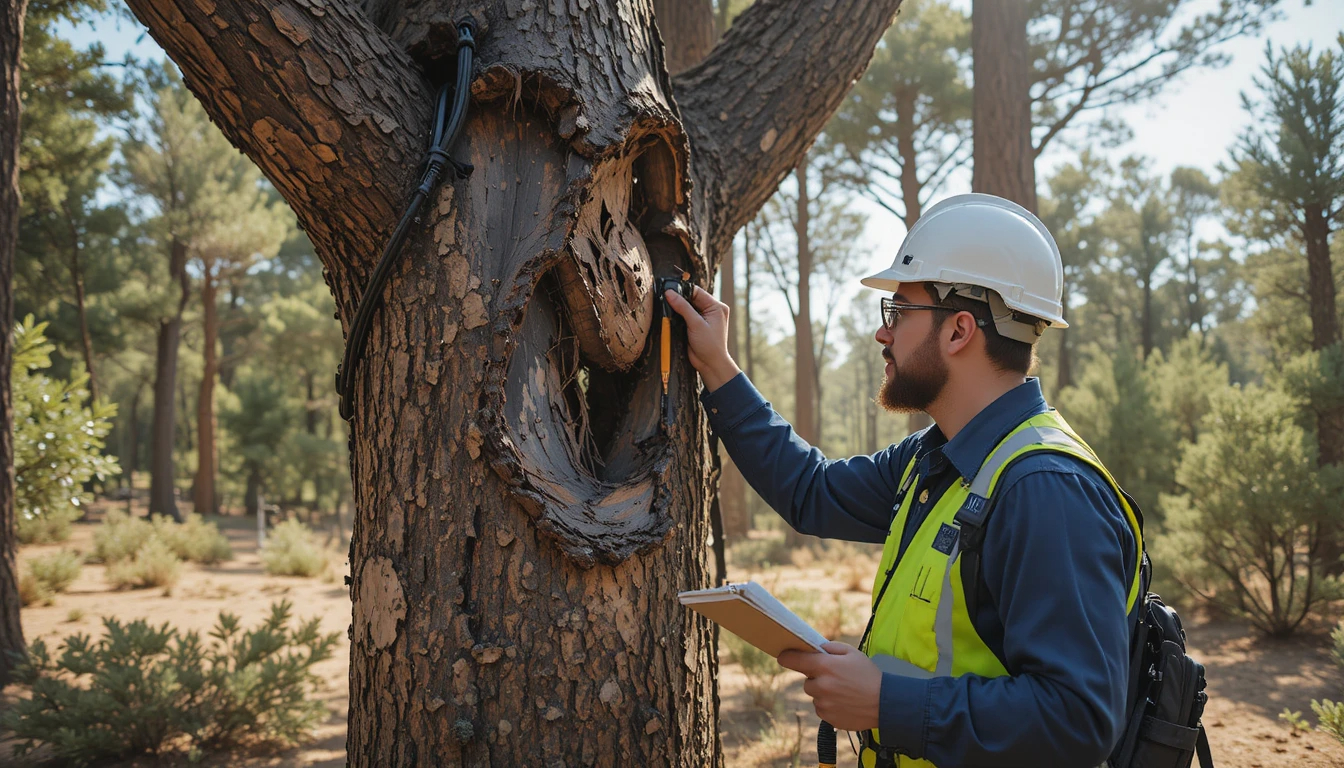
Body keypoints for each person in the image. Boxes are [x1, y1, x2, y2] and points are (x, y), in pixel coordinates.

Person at [664, 193, 1144, 768]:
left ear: (959, 330)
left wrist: (884, 702)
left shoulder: (1045, 489)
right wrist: (718, 367)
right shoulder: (937, 457)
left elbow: (1078, 721)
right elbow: (811, 491)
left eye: (899, 312)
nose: (882, 335)